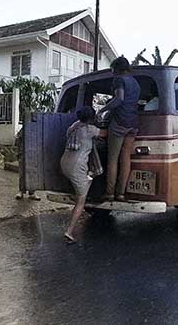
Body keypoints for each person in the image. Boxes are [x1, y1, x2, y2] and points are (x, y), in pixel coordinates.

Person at [96, 56, 140, 202]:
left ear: (117, 68)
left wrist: (102, 110)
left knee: (112, 159)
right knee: (126, 158)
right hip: (133, 124)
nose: (112, 72)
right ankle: (121, 193)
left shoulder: (119, 80)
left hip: (119, 122)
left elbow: (119, 99)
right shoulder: (135, 83)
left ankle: (109, 193)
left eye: (113, 69)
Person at [60, 106, 101, 243]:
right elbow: (107, 133)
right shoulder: (90, 130)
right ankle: (69, 231)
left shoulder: (73, 127)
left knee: (85, 180)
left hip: (65, 163)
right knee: (81, 202)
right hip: (77, 168)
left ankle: (77, 192)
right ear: (91, 118)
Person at [14, 128, 41, 201]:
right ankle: (21, 191)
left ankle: (32, 193)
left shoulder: (37, 128)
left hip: (33, 153)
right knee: (22, 173)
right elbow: (17, 141)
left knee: (33, 173)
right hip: (23, 152)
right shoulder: (24, 128)